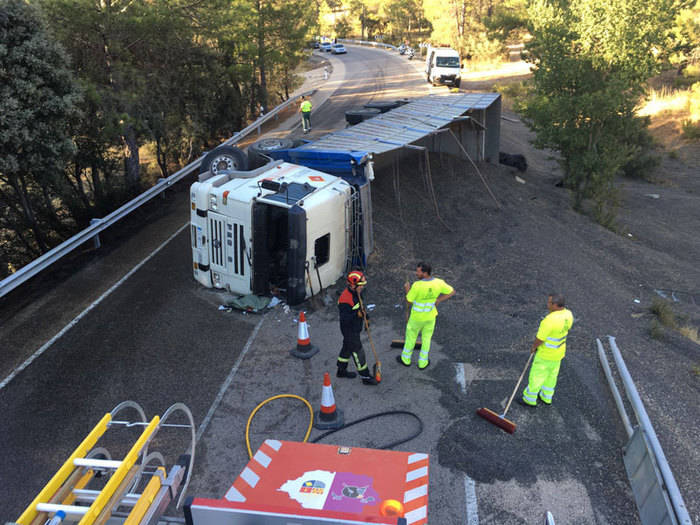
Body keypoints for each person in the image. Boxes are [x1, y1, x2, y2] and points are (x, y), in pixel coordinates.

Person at [397, 262, 455, 369]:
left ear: (425, 273)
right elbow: (452, 291)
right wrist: (439, 300)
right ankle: (423, 362)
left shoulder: (417, 285)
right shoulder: (439, 283)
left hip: (416, 318)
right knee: (427, 339)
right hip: (430, 317)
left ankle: (406, 359)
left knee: (411, 338)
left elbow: (409, 301)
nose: (416, 273)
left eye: (418, 271)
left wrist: (407, 289)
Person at [520, 294, 574, 407]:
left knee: (537, 376)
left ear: (555, 305)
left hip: (545, 355)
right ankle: (546, 397)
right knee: (551, 376)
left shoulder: (549, 320)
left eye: (549, 303)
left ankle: (529, 399)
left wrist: (534, 347)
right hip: (558, 354)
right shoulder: (568, 314)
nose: (547, 304)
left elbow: (540, 338)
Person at [337, 270, 378, 385]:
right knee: (358, 352)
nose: (363, 288)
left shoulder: (357, 293)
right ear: (353, 285)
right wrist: (357, 315)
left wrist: (366, 318)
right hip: (349, 329)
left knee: (347, 348)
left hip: (355, 327)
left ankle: (341, 370)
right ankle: (365, 376)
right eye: (361, 286)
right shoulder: (345, 299)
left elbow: (361, 307)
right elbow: (345, 318)